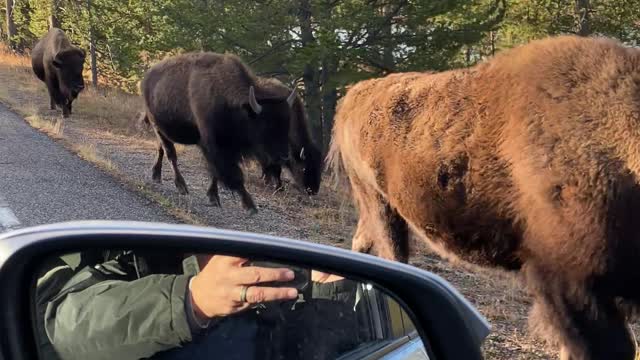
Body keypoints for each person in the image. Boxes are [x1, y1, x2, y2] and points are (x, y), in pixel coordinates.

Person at [35, 249, 364, 360]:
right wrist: (190, 302)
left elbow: (301, 346)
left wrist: (330, 289)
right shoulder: (129, 262)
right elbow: (67, 322)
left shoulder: (264, 297)